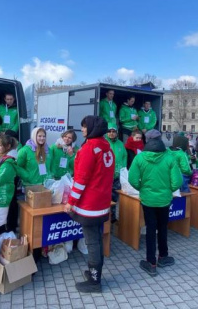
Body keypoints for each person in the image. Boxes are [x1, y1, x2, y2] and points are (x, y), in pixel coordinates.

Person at [64, 116, 113, 293]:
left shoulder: (89, 149)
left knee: (91, 241)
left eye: (85, 127)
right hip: (102, 202)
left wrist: (71, 202)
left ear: (92, 129)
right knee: (97, 240)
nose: (82, 130)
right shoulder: (107, 147)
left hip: (90, 204)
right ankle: (95, 273)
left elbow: (81, 180)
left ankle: (94, 281)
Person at [129, 129, 182, 276]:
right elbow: (177, 181)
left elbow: (132, 179)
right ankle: (163, 256)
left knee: (150, 229)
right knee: (163, 227)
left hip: (148, 200)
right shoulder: (169, 158)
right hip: (164, 199)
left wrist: (143, 189)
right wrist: (168, 190)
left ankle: (151, 262)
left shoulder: (140, 158)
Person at [105, 124, 127, 222]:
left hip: (117, 176)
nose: (111, 133)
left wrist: (123, 169)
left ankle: (113, 217)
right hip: (105, 176)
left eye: (113, 131)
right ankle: (105, 217)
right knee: (105, 198)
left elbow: (124, 157)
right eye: (109, 131)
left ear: (116, 133)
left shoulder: (120, 144)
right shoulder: (104, 143)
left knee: (114, 197)